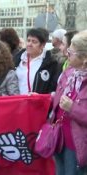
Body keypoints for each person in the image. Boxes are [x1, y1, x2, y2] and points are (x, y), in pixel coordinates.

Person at [52, 30, 87, 175]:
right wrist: (44, 98)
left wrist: (72, 108)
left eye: (71, 52)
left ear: (84, 58)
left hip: (77, 144)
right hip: (59, 138)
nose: (67, 54)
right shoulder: (68, 72)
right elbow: (58, 99)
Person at [14, 28, 60, 94]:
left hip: (36, 102)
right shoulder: (18, 58)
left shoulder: (51, 63)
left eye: (34, 42)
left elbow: (52, 88)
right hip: (16, 101)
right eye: (28, 40)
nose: (30, 44)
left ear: (42, 45)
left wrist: (40, 97)